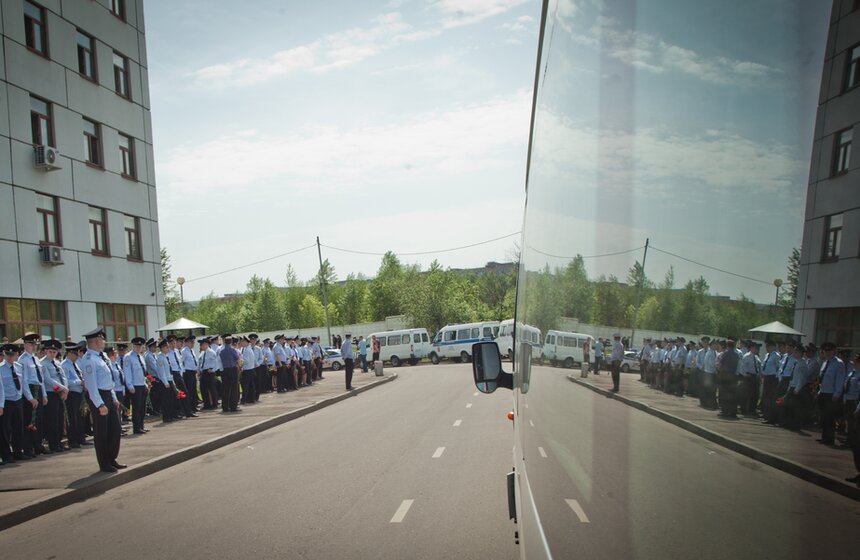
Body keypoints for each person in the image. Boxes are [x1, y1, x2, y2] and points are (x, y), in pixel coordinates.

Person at [79, 328, 125, 473]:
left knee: (115, 429)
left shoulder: (102, 356)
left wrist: (113, 397)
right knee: (102, 432)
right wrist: (100, 404)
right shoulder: (89, 360)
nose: (104, 342)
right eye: (102, 339)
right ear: (97, 341)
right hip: (98, 396)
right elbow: (91, 386)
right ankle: (104, 463)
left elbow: (108, 379)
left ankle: (112, 458)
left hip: (107, 394)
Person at [18, 333, 48, 456]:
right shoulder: (23, 360)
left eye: (35, 344)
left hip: (38, 389)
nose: (33, 347)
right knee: (30, 420)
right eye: (31, 344)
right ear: (25, 345)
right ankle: (28, 448)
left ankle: (38, 445)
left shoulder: (35, 359)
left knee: (39, 420)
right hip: (29, 390)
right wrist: (30, 398)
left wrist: (44, 394)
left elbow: (41, 379)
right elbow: (23, 381)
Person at [1, 344, 29, 462]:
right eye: (8, 355)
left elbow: (24, 384)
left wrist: (30, 398)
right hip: (7, 401)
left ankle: (18, 451)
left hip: (18, 400)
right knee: (6, 429)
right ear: (4, 355)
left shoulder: (19, 367)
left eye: (12, 355)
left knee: (18, 427)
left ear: (16, 355)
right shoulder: (1, 368)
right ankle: (7, 454)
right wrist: (1, 405)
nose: (10, 357)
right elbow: (1, 388)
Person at [40, 339, 69, 452]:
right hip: (51, 393)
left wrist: (65, 390)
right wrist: (62, 388)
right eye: (50, 351)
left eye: (54, 352)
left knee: (60, 419)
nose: (52, 354)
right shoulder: (43, 363)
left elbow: (63, 377)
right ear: (46, 351)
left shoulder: (57, 363)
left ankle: (59, 442)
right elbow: (48, 380)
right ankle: (53, 444)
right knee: (52, 420)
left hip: (60, 393)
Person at [817, 342, 846, 446]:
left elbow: (840, 380)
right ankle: (824, 437)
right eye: (826, 351)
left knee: (830, 418)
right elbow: (823, 378)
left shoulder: (839, 363)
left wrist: (837, 394)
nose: (827, 353)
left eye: (830, 351)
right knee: (823, 417)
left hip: (831, 394)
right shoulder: (825, 362)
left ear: (834, 351)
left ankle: (829, 439)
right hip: (823, 392)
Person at [61, 341, 89, 447]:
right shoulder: (65, 365)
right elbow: (66, 381)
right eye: (75, 354)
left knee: (80, 417)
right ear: (69, 353)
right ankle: (73, 441)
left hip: (79, 393)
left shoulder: (75, 364)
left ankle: (80, 438)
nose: (77, 356)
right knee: (72, 418)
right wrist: (79, 382)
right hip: (72, 394)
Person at [125, 337, 149, 434]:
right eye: (136, 346)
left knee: (142, 407)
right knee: (136, 407)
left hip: (141, 384)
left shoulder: (141, 357)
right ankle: (136, 428)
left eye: (140, 346)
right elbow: (127, 373)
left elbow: (143, 373)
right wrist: (130, 386)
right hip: (135, 386)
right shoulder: (128, 357)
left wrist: (145, 384)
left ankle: (141, 425)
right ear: (133, 346)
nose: (138, 348)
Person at [717, 339, 740, 419]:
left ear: (727, 345)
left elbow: (720, 364)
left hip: (726, 375)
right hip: (733, 376)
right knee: (733, 394)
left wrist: (718, 370)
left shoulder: (726, 353)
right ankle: (733, 411)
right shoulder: (737, 354)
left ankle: (725, 411)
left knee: (724, 394)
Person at [759, 340, 780, 425]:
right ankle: (766, 415)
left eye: (768, 346)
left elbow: (779, 368)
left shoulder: (776, 356)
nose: (767, 348)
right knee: (765, 397)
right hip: (766, 377)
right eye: (766, 346)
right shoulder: (767, 355)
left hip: (773, 378)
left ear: (773, 347)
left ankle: (771, 418)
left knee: (771, 398)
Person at [156, 339, 176, 422]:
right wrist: (165, 382)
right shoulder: (160, 357)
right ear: (162, 348)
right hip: (165, 382)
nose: (168, 348)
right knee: (166, 400)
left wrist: (172, 381)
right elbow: (161, 372)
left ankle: (170, 415)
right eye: (166, 347)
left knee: (171, 399)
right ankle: (166, 416)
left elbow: (169, 370)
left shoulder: (166, 356)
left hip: (169, 380)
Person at [219, 335, 241, 412]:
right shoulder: (233, 350)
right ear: (231, 342)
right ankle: (233, 406)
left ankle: (225, 406)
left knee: (225, 389)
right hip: (233, 369)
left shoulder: (222, 351)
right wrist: (239, 366)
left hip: (225, 370)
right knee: (234, 388)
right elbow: (238, 359)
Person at [197, 337, 219, 409]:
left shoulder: (211, 352)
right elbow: (200, 363)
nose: (201, 346)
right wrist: (199, 371)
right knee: (203, 389)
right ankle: (207, 404)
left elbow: (216, 362)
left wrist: (212, 369)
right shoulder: (202, 353)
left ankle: (214, 404)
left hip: (209, 372)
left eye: (202, 344)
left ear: (206, 344)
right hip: (204, 372)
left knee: (212, 389)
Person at [181, 336, 200, 412]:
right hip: (187, 373)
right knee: (189, 390)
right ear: (187, 343)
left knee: (193, 390)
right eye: (191, 342)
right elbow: (182, 362)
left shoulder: (191, 351)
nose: (193, 344)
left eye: (193, 342)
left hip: (192, 372)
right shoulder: (184, 351)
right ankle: (189, 408)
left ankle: (193, 406)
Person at [240, 336, 256, 404]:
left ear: (246, 342)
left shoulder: (247, 350)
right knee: (250, 385)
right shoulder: (246, 349)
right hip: (250, 369)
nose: (241, 343)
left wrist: (240, 361)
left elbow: (246, 360)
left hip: (248, 369)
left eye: (242, 342)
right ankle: (251, 398)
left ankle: (244, 399)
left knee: (245, 385)